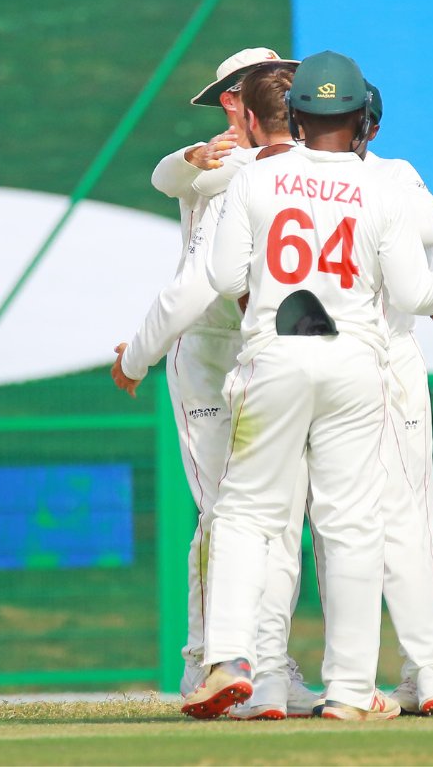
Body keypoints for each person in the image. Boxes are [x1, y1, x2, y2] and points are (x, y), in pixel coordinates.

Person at [184, 51, 433, 720]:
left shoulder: (260, 178)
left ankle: (230, 658)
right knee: (353, 526)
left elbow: (221, 278)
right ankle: (347, 690)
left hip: (273, 360)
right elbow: (413, 290)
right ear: (363, 120)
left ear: (294, 118)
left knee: (248, 515)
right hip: (357, 367)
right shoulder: (384, 186)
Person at [113, 60, 317, 718]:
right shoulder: (220, 167)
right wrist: (142, 352)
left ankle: (269, 666)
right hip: (204, 354)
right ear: (238, 102)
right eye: (269, 86)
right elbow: (167, 181)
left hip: (271, 354)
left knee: (277, 517)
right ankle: (210, 662)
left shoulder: (297, 166)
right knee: (226, 515)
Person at [358, 85, 433, 715]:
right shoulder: (393, 176)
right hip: (385, 358)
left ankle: (354, 679)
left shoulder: (294, 177)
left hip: (314, 363)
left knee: (340, 529)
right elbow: (429, 235)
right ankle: (430, 672)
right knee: (406, 522)